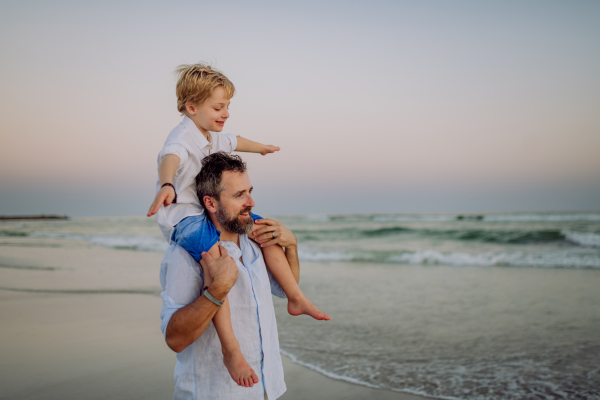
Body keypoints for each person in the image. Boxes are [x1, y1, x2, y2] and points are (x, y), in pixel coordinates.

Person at [148, 63, 328, 387]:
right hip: (184, 217)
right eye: (219, 107)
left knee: (269, 232)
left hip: (266, 389)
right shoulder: (181, 137)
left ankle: (297, 297)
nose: (226, 113)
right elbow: (169, 159)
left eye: (228, 106)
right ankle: (231, 349)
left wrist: (261, 148)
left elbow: (236, 140)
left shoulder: (213, 137)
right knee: (215, 259)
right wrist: (166, 184)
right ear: (192, 107)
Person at [160, 152, 299, 399]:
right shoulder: (184, 256)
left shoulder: (256, 242)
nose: (251, 202)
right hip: (215, 392)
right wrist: (216, 290)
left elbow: (287, 287)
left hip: (267, 388)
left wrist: (292, 247)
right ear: (211, 203)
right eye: (239, 195)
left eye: (250, 191)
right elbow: (175, 339)